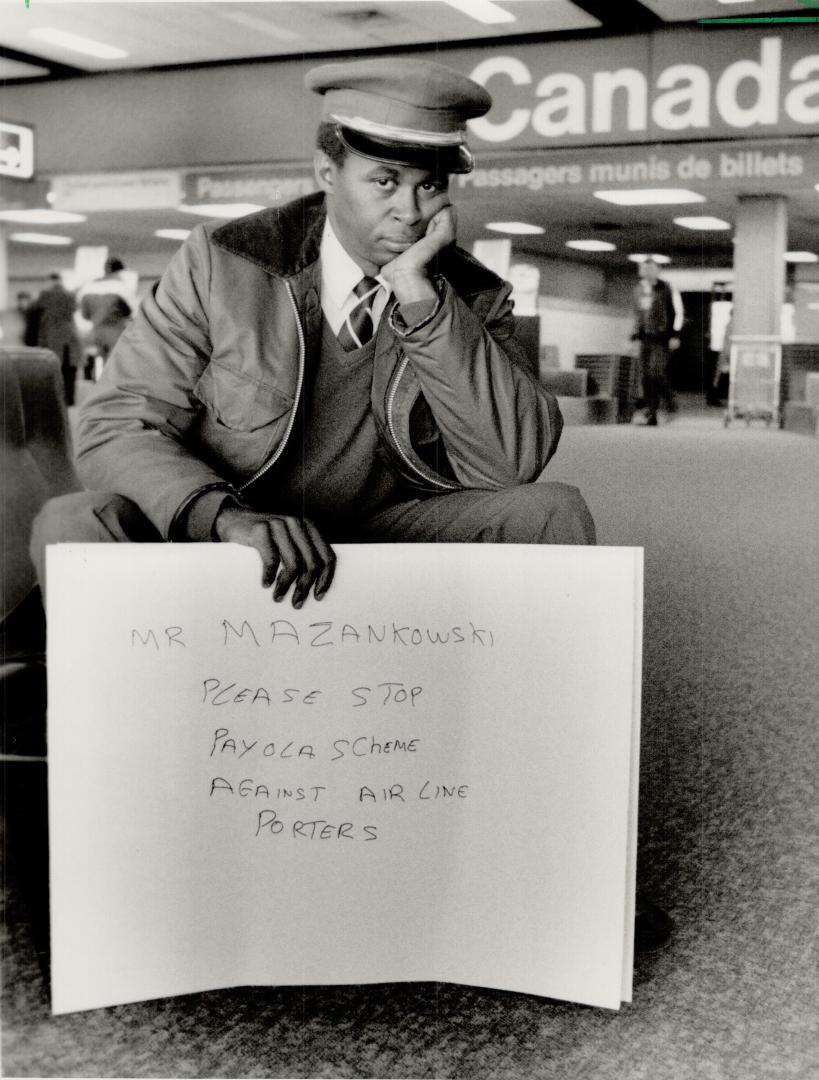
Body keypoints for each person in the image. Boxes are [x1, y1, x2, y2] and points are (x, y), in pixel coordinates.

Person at [30, 59, 669, 950]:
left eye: (428, 185)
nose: (408, 211)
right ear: (325, 171)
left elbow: (510, 461)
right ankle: (128, 854)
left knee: (548, 512)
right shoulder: (223, 262)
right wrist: (220, 514)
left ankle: (560, 858)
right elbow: (117, 425)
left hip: (374, 530)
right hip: (227, 533)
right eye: (383, 182)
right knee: (73, 525)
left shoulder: (468, 291)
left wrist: (419, 296)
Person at [632, 259, 677, 426]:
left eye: (651, 268)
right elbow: (638, 315)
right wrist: (634, 337)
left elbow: (672, 312)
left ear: (658, 270)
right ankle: (652, 415)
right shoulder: (638, 290)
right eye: (644, 268)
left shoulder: (664, 288)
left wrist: (674, 335)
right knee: (646, 377)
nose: (647, 271)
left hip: (661, 337)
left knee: (655, 373)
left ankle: (670, 399)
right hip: (645, 338)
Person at [26, 273, 82, 404]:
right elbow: (75, 309)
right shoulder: (70, 295)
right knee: (70, 370)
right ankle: (70, 399)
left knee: (54, 369)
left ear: (51, 281)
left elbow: (31, 309)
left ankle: (56, 400)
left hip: (52, 337)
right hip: (70, 336)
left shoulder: (45, 294)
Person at [78, 257, 137, 374]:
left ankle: (99, 386)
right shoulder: (122, 287)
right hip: (117, 331)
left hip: (96, 332)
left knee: (100, 362)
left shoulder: (88, 287)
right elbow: (131, 313)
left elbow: (85, 315)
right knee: (117, 365)